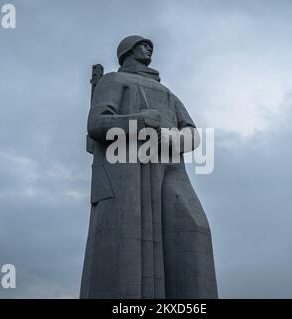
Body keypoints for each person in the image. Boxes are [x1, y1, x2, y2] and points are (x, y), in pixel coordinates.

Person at [80, 35, 218, 298]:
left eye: (150, 46)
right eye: (143, 45)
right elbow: (96, 124)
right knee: (128, 245)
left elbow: (192, 133)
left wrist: (169, 138)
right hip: (126, 169)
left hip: (170, 166)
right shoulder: (113, 81)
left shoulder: (168, 93)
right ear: (127, 51)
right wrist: (139, 122)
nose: (149, 49)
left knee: (195, 228)